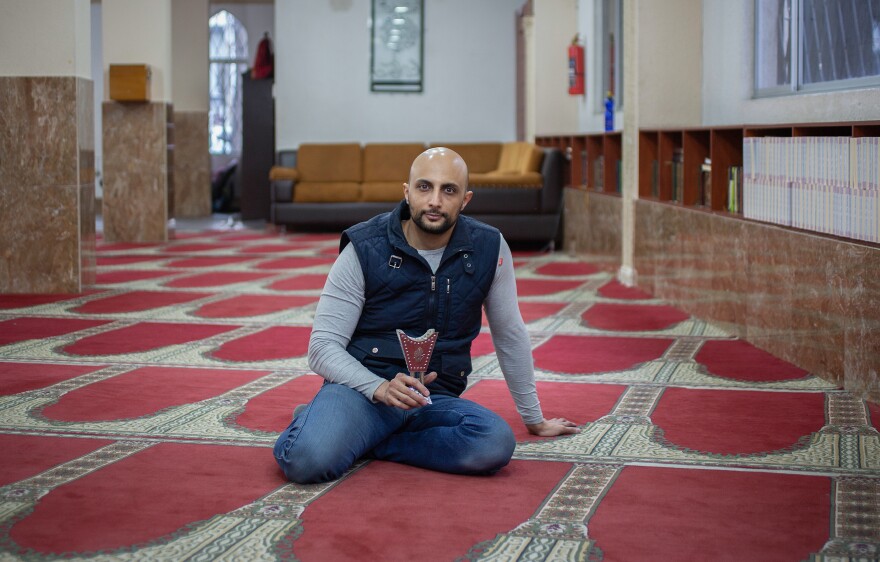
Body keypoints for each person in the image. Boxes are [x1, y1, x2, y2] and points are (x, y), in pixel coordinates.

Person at [273, 147, 578, 484]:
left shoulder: (489, 247)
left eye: (449, 190)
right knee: (306, 460)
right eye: (424, 187)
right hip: (362, 391)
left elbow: (510, 334)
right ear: (407, 192)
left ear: (465, 200)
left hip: (433, 398)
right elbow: (322, 347)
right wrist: (380, 387)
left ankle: (362, 440)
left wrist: (534, 419)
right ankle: (331, 425)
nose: (435, 200)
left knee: (494, 443)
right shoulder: (364, 246)